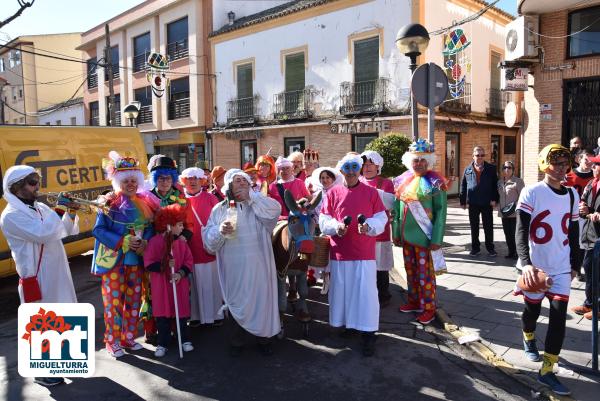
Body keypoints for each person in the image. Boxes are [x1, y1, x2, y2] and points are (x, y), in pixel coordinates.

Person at [0, 166, 79, 387]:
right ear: (16, 188)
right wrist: (61, 209)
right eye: (32, 182)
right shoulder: (11, 216)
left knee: (63, 315)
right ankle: (43, 373)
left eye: (38, 180)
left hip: (56, 268)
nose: (38, 185)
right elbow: (43, 234)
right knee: (42, 322)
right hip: (37, 274)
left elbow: (63, 230)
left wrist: (70, 212)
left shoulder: (42, 207)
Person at [514, 144, 579, 396]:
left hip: (562, 268)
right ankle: (528, 336)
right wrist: (526, 263)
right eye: (557, 163)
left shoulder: (572, 195)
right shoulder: (532, 192)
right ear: (545, 164)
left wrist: (575, 264)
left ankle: (548, 370)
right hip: (535, 268)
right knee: (531, 310)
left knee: (559, 318)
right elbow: (521, 230)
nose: (562, 168)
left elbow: (573, 232)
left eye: (565, 163)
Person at [203, 169, 282, 356]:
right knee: (236, 302)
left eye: (244, 181)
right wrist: (219, 230)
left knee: (261, 299)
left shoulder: (258, 204)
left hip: (259, 266)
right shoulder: (220, 209)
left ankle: (264, 340)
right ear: (229, 185)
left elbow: (275, 210)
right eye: (237, 181)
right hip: (233, 268)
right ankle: (237, 342)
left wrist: (252, 198)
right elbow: (208, 242)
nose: (242, 184)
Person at [319, 153, 387, 356]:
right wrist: (336, 226)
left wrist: (368, 226)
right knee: (344, 291)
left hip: (364, 252)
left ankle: (368, 333)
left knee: (365, 294)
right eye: (347, 168)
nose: (350, 172)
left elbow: (381, 218)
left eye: (354, 168)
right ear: (341, 171)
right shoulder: (333, 193)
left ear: (359, 170)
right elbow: (324, 218)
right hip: (340, 252)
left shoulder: (372, 193)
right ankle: (350, 324)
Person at [92, 151, 157, 358]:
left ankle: (128, 337)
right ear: (118, 182)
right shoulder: (108, 203)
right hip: (114, 262)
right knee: (113, 302)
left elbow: (149, 228)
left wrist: (145, 241)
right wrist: (122, 241)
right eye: (126, 180)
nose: (130, 184)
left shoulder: (145, 203)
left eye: (133, 180)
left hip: (135, 261)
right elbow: (98, 230)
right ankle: (112, 340)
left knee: (134, 299)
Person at [392, 140, 448, 325]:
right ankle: (414, 301)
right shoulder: (403, 181)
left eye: (423, 160)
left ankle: (429, 308)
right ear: (410, 162)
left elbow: (441, 213)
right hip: (407, 238)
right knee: (410, 271)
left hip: (425, 238)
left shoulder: (436, 183)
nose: (419, 164)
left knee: (425, 275)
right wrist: (396, 234)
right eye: (416, 160)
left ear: (429, 161)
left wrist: (437, 239)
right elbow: (397, 211)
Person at [145, 156, 189, 344]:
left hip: (176, 249)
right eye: (160, 178)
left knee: (176, 290)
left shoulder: (180, 196)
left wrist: (180, 238)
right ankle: (154, 330)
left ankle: (177, 330)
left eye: (168, 178)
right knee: (153, 292)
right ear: (155, 179)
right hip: (153, 249)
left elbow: (188, 224)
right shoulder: (146, 197)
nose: (164, 182)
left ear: (173, 178)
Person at [144, 204, 195, 357]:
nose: (182, 228)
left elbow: (188, 261)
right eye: (179, 225)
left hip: (178, 285)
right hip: (161, 287)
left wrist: (180, 273)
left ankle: (184, 339)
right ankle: (162, 343)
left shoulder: (180, 243)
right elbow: (148, 263)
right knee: (162, 318)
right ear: (168, 225)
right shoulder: (154, 242)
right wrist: (164, 265)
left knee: (181, 315)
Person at [179, 167, 222, 326]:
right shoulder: (180, 200)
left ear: (201, 181)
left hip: (209, 247)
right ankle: (196, 316)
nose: (192, 182)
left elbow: (220, 220)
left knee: (213, 283)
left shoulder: (211, 198)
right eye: (189, 179)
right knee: (194, 284)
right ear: (184, 181)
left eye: (196, 179)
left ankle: (216, 315)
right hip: (189, 248)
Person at [360, 150, 395, 307]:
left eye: (370, 165)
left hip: (380, 230)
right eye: (364, 165)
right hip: (362, 231)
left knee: (380, 266)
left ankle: (383, 294)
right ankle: (367, 293)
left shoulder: (385, 183)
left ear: (377, 166)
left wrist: (372, 192)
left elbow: (390, 203)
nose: (367, 168)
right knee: (365, 265)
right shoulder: (358, 180)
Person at [572, 155, 600, 320]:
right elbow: (584, 202)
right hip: (590, 234)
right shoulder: (592, 183)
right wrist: (583, 207)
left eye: (597, 164)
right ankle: (590, 303)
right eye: (594, 164)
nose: (593, 167)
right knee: (589, 269)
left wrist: (594, 214)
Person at [459, 146, 499, 256]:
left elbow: (495, 185)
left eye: (482, 155)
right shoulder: (467, 169)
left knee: (488, 226)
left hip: (487, 202)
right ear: (473, 156)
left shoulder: (491, 168)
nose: (480, 157)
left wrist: (495, 199)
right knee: (474, 226)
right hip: (473, 202)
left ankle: (490, 248)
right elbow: (463, 185)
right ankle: (475, 248)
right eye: (477, 155)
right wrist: (463, 201)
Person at [564, 149, 594, 281]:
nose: (589, 162)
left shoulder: (595, 176)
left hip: (589, 216)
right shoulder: (569, 176)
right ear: (579, 159)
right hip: (573, 215)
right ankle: (574, 266)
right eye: (586, 159)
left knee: (587, 243)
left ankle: (583, 268)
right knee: (574, 242)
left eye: (591, 160)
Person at [497, 161, 524, 259]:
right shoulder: (499, 182)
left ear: (513, 170)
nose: (506, 170)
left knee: (515, 233)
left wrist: (515, 206)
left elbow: (523, 197)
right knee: (507, 233)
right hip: (504, 213)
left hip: (514, 213)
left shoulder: (518, 181)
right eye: (504, 167)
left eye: (509, 167)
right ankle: (511, 252)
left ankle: (518, 253)